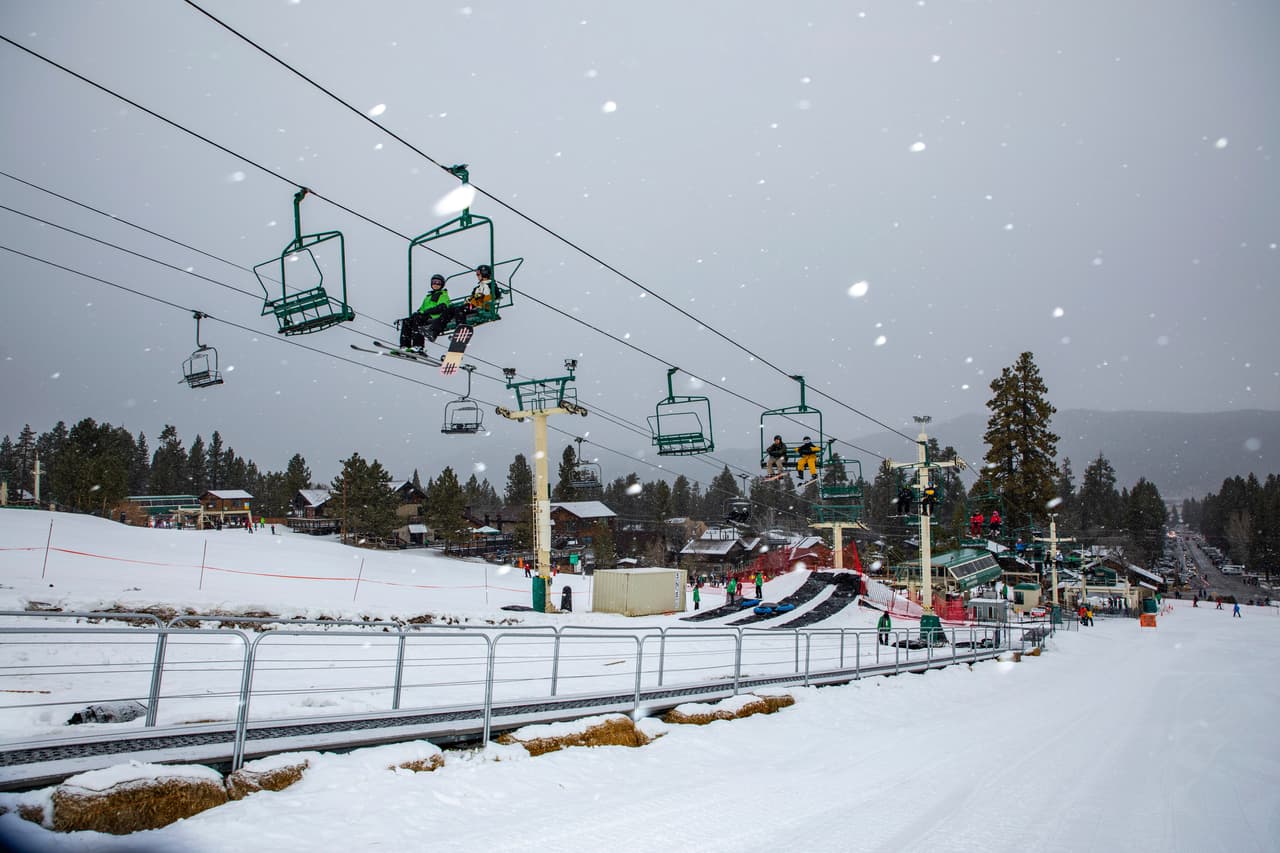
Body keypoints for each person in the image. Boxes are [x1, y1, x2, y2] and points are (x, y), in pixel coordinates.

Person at [401, 273, 451, 348]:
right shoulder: (428, 297)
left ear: (442, 284)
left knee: (418, 320)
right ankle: (404, 345)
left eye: (438, 283)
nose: (436, 284)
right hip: (425, 316)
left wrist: (427, 312)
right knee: (407, 321)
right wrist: (418, 313)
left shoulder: (443, 294)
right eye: (434, 282)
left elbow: (442, 307)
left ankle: (418, 345)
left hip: (434, 317)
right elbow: (422, 309)